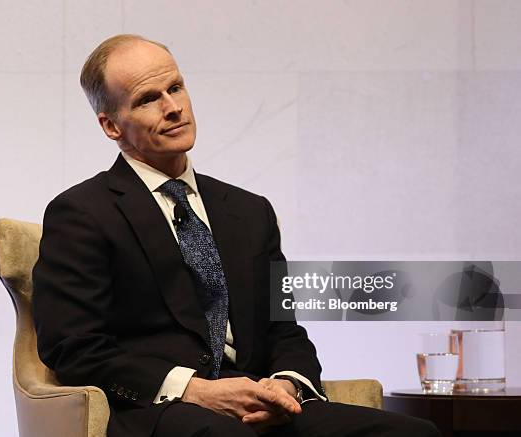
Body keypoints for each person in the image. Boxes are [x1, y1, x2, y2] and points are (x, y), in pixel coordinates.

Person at [32, 34, 439, 437]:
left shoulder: (250, 211)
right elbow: (74, 348)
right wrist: (196, 391)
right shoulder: (82, 213)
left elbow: (285, 330)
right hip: (162, 410)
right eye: (148, 99)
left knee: (416, 432)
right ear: (110, 125)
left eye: (176, 87)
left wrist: (286, 385)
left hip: (260, 402)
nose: (173, 108)